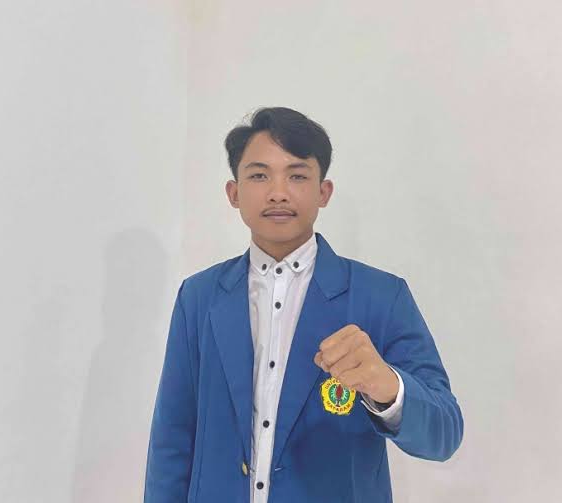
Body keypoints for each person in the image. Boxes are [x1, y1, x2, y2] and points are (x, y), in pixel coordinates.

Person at [143, 107, 464, 503]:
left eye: (296, 176)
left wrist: (387, 386)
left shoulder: (381, 296)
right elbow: (172, 437)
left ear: (323, 192)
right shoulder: (199, 297)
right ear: (234, 193)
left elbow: (445, 433)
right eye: (259, 175)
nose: (278, 192)